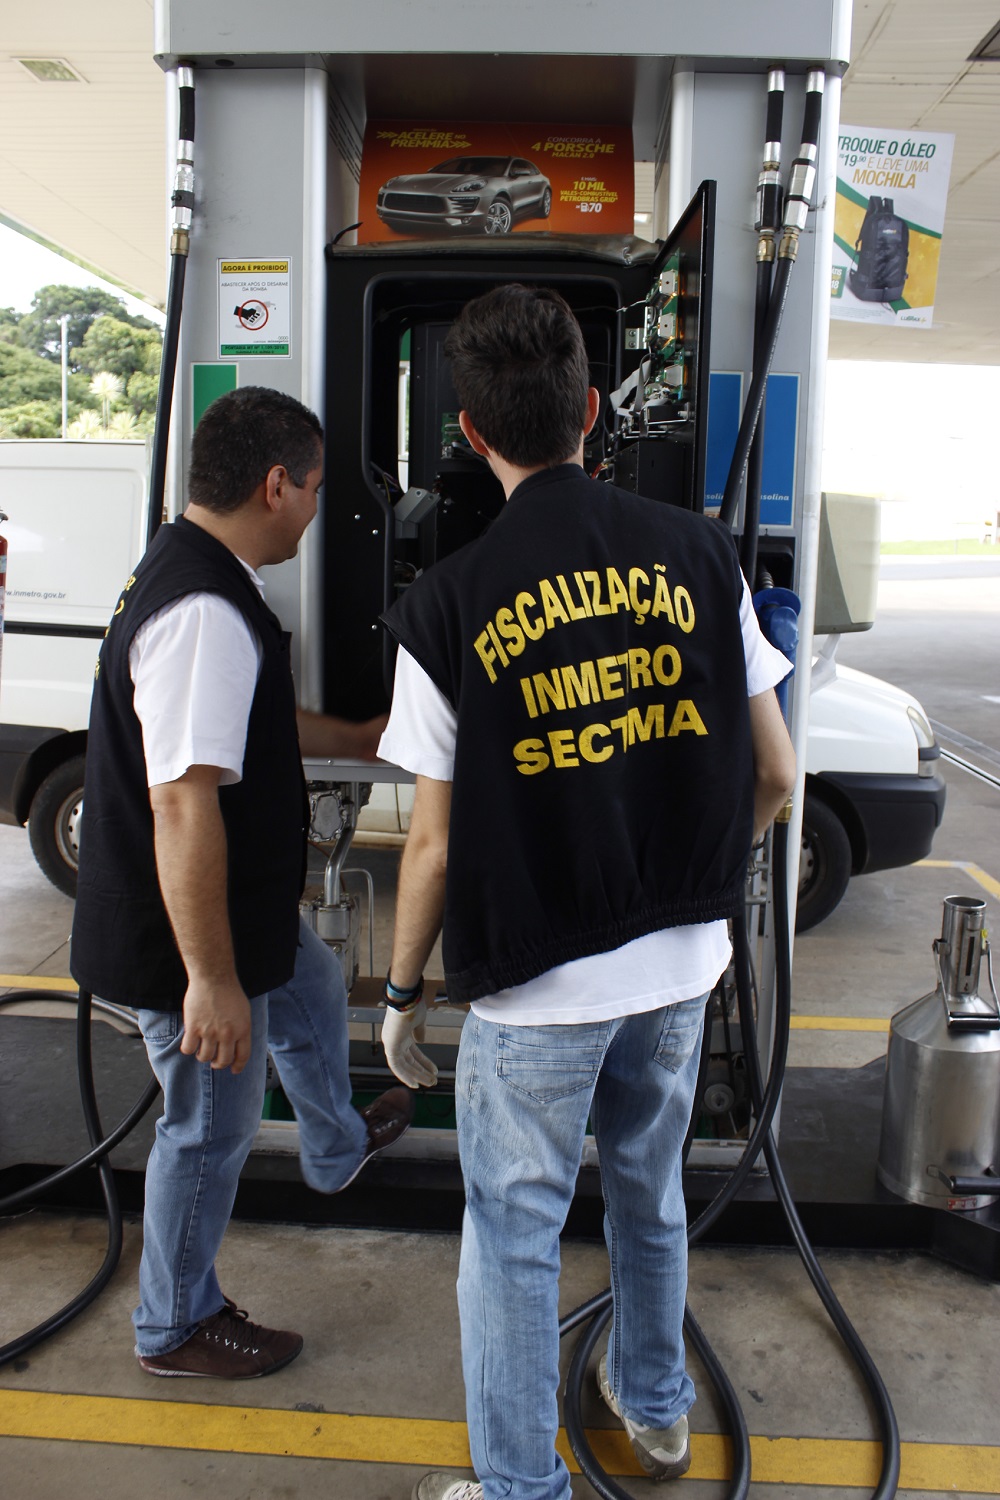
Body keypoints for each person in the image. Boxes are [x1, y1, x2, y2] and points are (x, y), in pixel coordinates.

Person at [375, 286, 796, 1500]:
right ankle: (655, 1412)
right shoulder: (700, 555)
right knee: (648, 1195)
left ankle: (521, 1489)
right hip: (678, 970)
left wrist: (401, 994)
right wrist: (700, 880)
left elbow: (431, 849)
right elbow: (774, 774)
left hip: (536, 992)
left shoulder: (447, 605)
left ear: (470, 433)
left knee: (512, 1243)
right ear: (594, 410)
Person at [70, 386, 413, 1380]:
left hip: (243, 911)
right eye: (315, 488)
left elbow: (245, 721)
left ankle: (335, 1147)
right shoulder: (203, 613)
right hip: (183, 940)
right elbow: (184, 805)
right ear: (275, 486)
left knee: (312, 988)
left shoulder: (197, 573)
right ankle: (175, 1323)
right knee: (209, 1130)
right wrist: (211, 982)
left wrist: (356, 738)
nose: (316, 509)